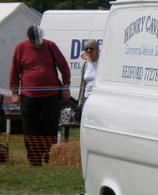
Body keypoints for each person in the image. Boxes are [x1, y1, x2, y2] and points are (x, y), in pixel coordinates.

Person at [9, 25, 71, 166]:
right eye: (33, 43)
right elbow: (14, 71)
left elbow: (63, 66)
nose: (36, 45)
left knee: (49, 127)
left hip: (50, 95)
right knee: (30, 128)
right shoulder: (20, 48)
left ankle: (48, 154)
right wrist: (14, 93)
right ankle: (34, 159)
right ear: (28, 38)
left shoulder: (50, 46)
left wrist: (66, 86)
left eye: (38, 42)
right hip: (28, 96)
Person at [77, 39, 100, 117]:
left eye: (91, 48)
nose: (89, 50)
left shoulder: (101, 63)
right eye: (86, 49)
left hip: (97, 98)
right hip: (86, 98)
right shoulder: (85, 64)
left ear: (97, 50)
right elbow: (82, 83)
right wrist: (80, 101)